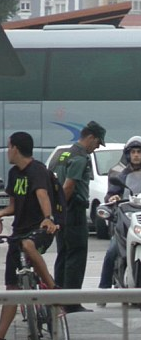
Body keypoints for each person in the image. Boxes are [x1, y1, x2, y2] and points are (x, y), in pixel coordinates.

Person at [0, 132, 60, 339]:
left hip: (40, 229)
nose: (8, 151)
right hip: (19, 231)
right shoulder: (13, 173)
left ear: (15, 148)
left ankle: (53, 290)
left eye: (8, 147)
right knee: (11, 288)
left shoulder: (38, 170)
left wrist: (48, 218)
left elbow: (42, 195)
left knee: (28, 245)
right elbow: (14, 206)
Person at [97, 136, 141, 307]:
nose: (136, 155)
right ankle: (103, 291)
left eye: (139, 152)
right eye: (133, 152)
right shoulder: (122, 175)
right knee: (112, 252)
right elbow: (111, 194)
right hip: (128, 218)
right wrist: (112, 197)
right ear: (128, 155)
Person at [50, 120, 106, 313]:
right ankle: (71, 303)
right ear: (91, 137)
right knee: (76, 254)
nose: (96, 147)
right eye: (98, 143)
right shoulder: (81, 157)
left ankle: (58, 298)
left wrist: (55, 213)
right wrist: (62, 211)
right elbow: (68, 186)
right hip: (72, 211)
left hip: (61, 212)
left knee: (63, 254)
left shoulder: (63, 154)